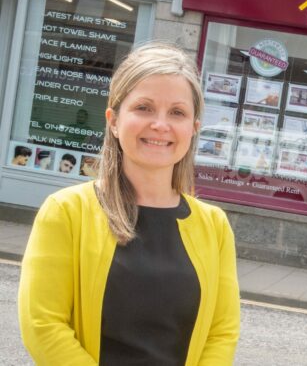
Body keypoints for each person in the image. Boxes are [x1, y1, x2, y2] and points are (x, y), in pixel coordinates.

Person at [19, 42, 240, 365]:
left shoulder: (214, 225)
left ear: (193, 129)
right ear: (113, 119)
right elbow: (43, 325)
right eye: (144, 108)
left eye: (177, 112)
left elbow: (222, 332)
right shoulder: (66, 211)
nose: (160, 125)